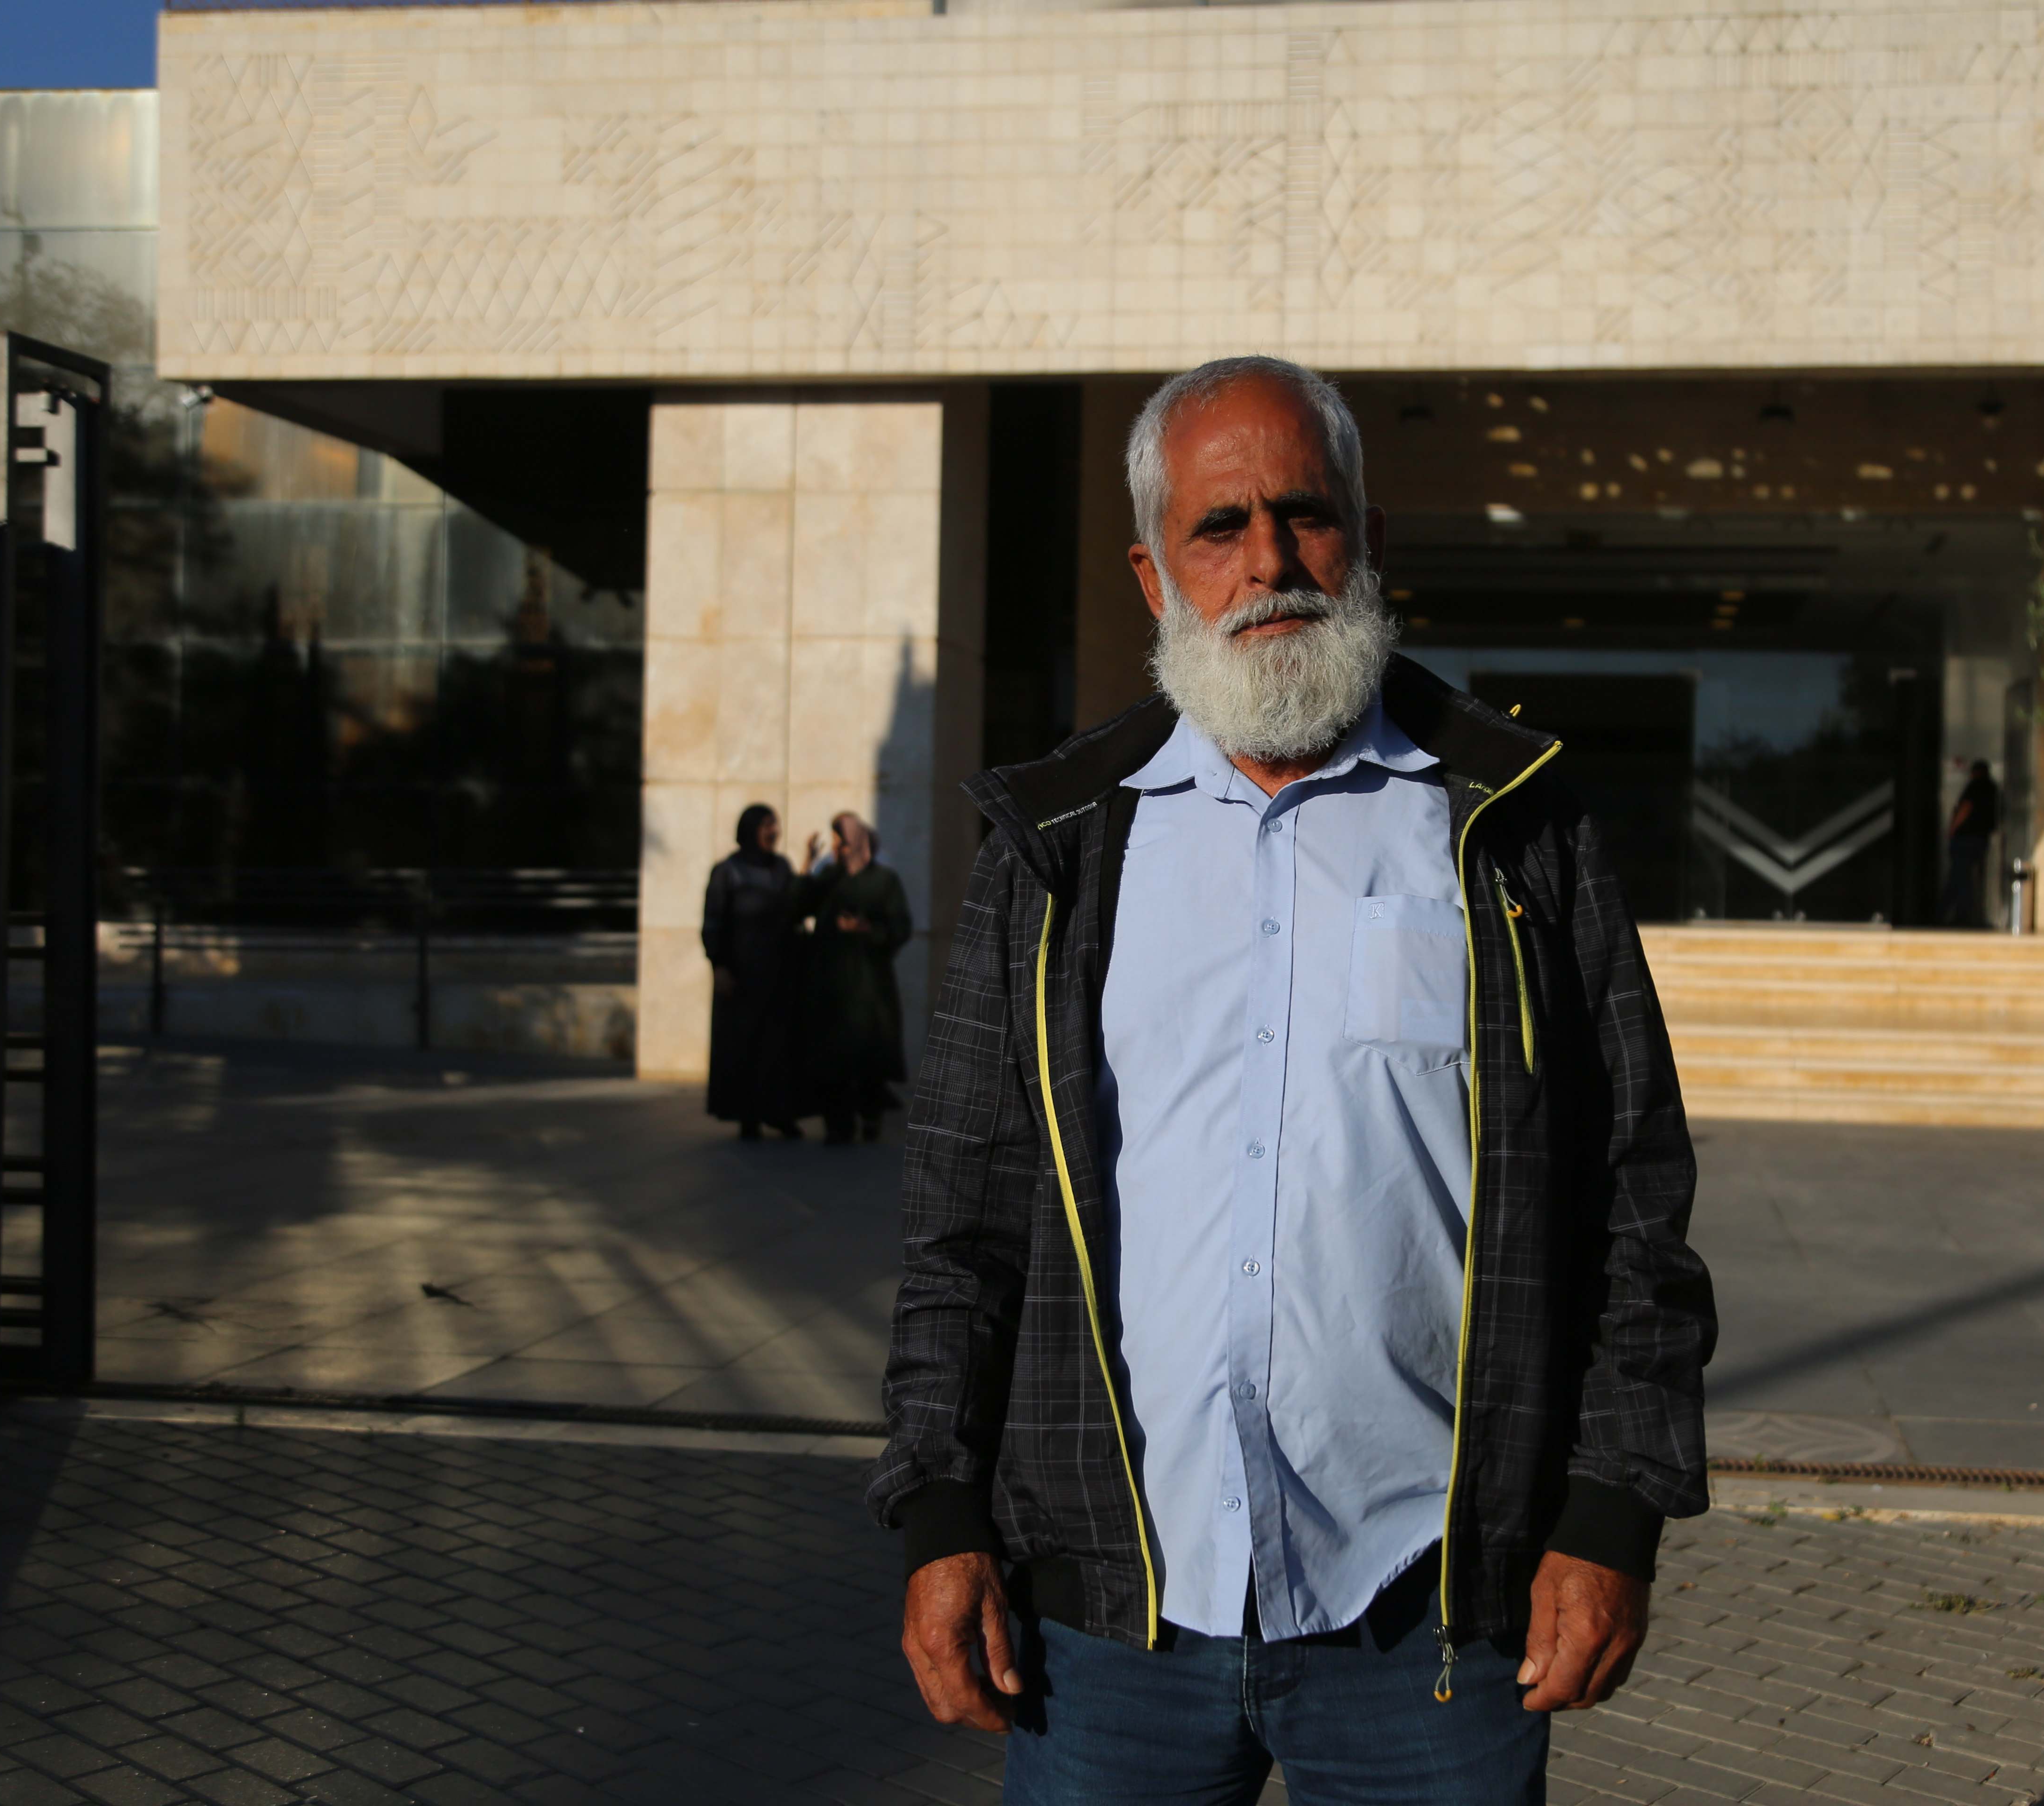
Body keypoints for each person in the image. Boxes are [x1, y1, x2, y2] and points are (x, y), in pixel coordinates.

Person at [868, 356, 1714, 1806]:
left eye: (1305, 514)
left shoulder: (1514, 827)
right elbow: (964, 1224)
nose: (1269, 561)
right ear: (1154, 574)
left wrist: (1612, 1512)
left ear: (1366, 539)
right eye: (1220, 526)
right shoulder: (1056, 851)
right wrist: (940, 1515)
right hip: (1110, 1618)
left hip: (1432, 1617)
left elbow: (1634, 1198)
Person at [796, 812, 913, 1144]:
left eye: (843, 842)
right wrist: (807, 863)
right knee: (830, 1059)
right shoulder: (828, 878)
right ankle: (837, 1125)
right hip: (829, 984)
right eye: (836, 842)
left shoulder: (884, 880)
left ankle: (870, 1118)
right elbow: (796, 906)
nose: (838, 849)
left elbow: (901, 926)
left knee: (869, 1057)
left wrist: (867, 929)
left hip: (869, 983)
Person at [701, 803, 802, 1141]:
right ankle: (749, 1115)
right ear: (750, 830)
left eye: (775, 825)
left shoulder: (781, 868)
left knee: (779, 1046)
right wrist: (719, 966)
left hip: (780, 973)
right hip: (742, 976)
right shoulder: (728, 871)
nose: (774, 832)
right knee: (745, 1045)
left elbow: (795, 908)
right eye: (767, 825)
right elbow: (713, 922)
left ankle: (780, 1113)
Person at [1936, 757, 1999, 927]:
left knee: (1961, 876)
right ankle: (1942, 912)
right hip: (1981, 838)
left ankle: (1960, 915)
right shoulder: (1992, 789)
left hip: (1966, 838)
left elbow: (1966, 807)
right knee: (1958, 876)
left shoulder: (1975, 787)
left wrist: (1953, 827)